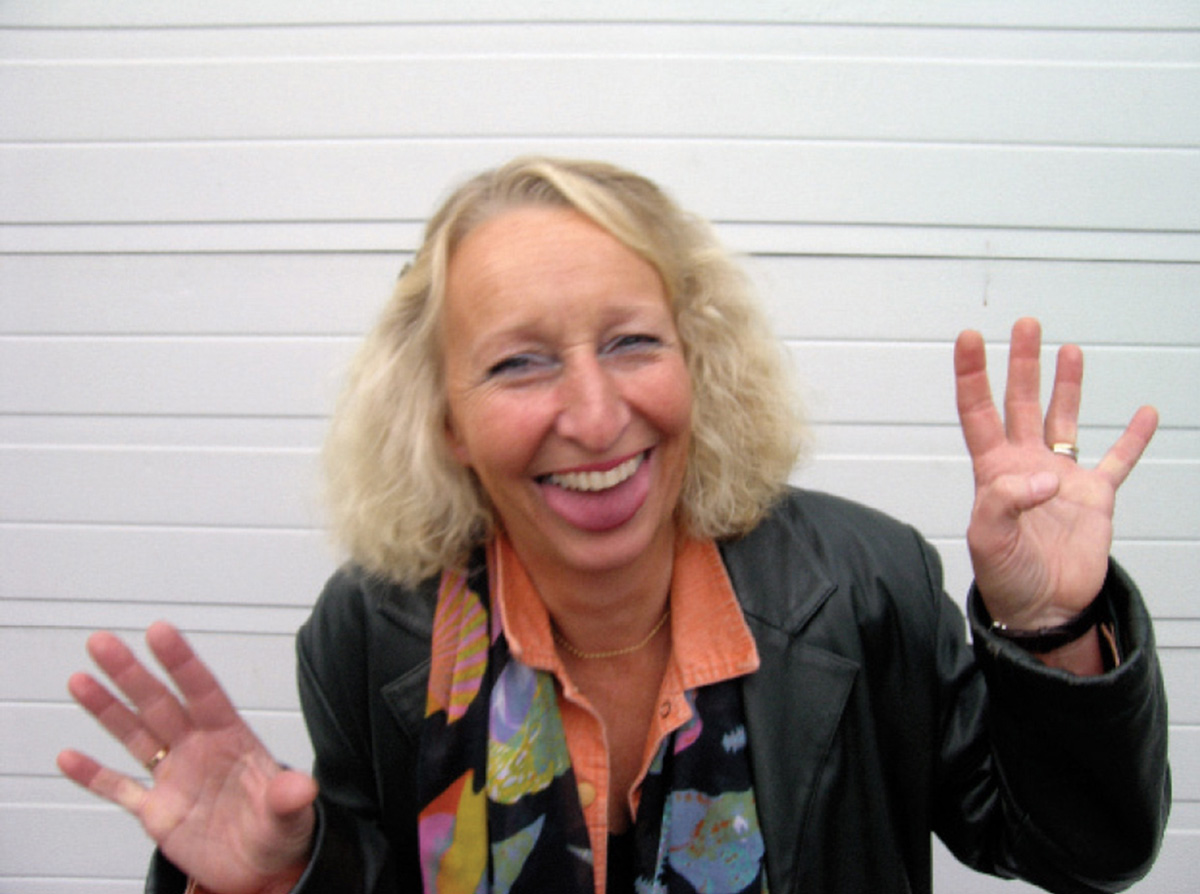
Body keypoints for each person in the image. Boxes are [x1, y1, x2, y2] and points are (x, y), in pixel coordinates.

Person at [58, 157, 1169, 894]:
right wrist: (287, 871)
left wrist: (1053, 627)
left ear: (700, 365)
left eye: (633, 343)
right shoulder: (374, 629)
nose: (594, 417)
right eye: (520, 363)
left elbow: (1086, 851)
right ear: (442, 420)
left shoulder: (863, 583)